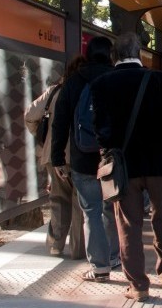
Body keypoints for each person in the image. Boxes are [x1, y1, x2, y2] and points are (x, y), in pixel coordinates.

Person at [90, 32, 162, 302]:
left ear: (114, 55)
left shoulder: (101, 84)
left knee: (128, 223)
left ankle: (138, 285)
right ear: (139, 51)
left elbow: (100, 130)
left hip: (123, 167)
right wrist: (159, 142)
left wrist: (111, 151)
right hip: (158, 162)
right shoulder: (159, 80)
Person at [51, 36, 119, 283]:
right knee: (110, 208)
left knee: (90, 212)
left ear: (88, 54)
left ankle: (100, 267)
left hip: (81, 157)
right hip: (111, 158)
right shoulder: (116, 77)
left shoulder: (74, 81)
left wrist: (58, 157)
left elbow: (60, 122)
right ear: (110, 54)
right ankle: (113, 256)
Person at [25, 58, 85, 259]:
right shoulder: (86, 90)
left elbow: (30, 114)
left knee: (58, 200)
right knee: (79, 203)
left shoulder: (54, 91)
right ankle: (79, 250)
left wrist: (42, 137)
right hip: (80, 154)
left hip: (53, 154)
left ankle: (55, 246)